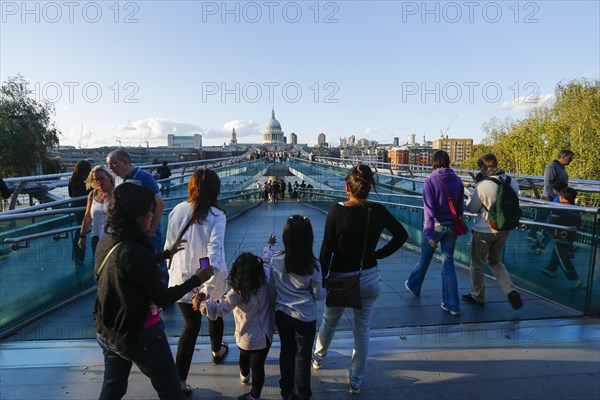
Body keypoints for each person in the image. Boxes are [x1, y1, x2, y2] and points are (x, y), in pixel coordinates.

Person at [94, 182, 214, 400]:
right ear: (138, 216)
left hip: (109, 330)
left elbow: (128, 268)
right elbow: (163, 298)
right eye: (150, 211)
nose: (152, 216)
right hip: (141, 334)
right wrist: (196, 279)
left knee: (113, 389)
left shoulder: (107, 242)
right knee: (170, 390)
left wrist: (165, 254)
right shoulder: (136, 252)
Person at [312, 164, 409, 394]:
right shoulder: (378, 210)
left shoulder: (336, 211)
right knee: (362, 331)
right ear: (368, 188)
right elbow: (401, 235)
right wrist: (378, 254)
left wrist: (322, 278)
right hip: (369, 277)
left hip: (341, 278)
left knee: (329, 322)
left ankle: (317, 358)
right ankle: (356, 380)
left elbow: (327, 250)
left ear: (347, 187)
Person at [165, 168, 229, 396]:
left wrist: (173, 274)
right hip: (207, 277)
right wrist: (206, 290)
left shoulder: (177, 210)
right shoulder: (217, 215)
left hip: (180, 278)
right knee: (214, 311)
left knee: (190, 328)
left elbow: (168, 248)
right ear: (216, 189)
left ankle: (180, 383)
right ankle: (216, 350)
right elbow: (215, 254)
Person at [264, 216, 326, 400]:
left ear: (286, 238)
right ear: (309, 239)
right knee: (303, 356)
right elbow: (318, 295)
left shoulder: (276, 260)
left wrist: (272, 314)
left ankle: (286, 388)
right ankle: (301, 393)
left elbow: (272, 290)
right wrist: (327, 289)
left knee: (287, 351)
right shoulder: (314, 265)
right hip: (305, 318)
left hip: (283, 315)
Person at [201, 253, 275, 400]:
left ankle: (244, 376)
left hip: (245, 338)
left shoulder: (237, 293)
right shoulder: (265, 280)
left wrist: (203, 304)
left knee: (244, 357)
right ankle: (254, 396)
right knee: (258, 367)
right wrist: (269, 246)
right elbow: (267, 261)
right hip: (266, 336)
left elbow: (220, 308)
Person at [405, 150, 464, 316]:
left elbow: (429, 211)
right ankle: (452, 305)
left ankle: (414, 285)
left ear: (434, 162)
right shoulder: (458, 180)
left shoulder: (430, 181)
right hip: (452, 225)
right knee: (448, 263)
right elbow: (460, 208)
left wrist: (430, 234)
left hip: (435, 226)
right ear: (448, 161)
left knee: (425, 259)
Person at [462, 153, 523, 310]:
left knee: (477, 263)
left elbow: (473, 208)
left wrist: (469, 201)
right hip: (504, 228)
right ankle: (510, 290)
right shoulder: (512, 182)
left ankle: (477, 295)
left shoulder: (483, 185)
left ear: (483, 167)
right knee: (495, 261)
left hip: (484, 229)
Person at [106, 150, 168, 283]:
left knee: (156, 266)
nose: (111, 169)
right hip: (132, 234)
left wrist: (151, 231)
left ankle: (163, 297)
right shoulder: (120, 180)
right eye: (108, 165)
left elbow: (160, 204)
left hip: (148, 233)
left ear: (126, 162)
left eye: (114, 164)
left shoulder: (144, 178)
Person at [541, 187, 583, 289]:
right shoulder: (576, 209)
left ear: (563, 198)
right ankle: (550, 269)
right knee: (557, 253)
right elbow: (579, 223)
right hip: (570, 237)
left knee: (563, 259)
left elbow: (554, 221)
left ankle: (576, 279)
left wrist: (544, 227)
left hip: (560, 237)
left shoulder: (560, 209)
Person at [529, 150, 574, 241]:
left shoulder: (561, 167)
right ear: (563, 157)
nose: (571, 160)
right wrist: (555, 198)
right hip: (549, 198)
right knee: (541, 218)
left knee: (552, 219)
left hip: (558, 198)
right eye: (570, 157)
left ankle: (545, 237)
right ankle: (532, 235)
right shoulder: (552, 167)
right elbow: (548, 183)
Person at [78, 166, 115, 256]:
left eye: (102, 178)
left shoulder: (117, 193)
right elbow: (87, 217)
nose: (99, 182)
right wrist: (82, 236)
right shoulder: (92, 194)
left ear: (109, 177)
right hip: (96, 238)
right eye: (96, 179)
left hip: (113, 238)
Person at [530, 180, 568, 255]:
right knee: (553, 236)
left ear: (556, 190)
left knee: (548, 235)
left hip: (553, 220)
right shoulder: (565, 199)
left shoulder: (557, 199)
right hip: (560, 221)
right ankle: (539, 246)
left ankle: (538, 246)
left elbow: (553, 211)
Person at [68, 160, 92, 263]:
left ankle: (77, 256)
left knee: (79, 229)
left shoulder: (72, 180)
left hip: (76, 208)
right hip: (87, 208)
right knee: (86, 230)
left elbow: (70, 194)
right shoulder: (88, 181)